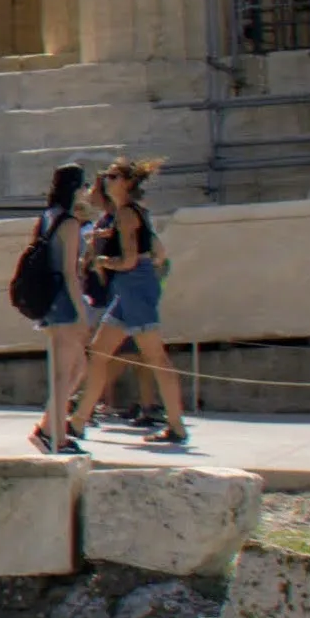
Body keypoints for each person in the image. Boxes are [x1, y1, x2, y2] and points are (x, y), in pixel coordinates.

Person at [74, 157, 189, 450]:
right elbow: (158, 252)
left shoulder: (126, 214)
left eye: (113, 176)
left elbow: (127, 261)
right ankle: (78, 421)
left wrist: (101, 260)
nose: (107, 181)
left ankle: (176, 426)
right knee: (100, 353)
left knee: (156, 359)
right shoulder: (130, 213)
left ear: (127, 182)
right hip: (129, 291)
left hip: (133, 288)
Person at [27, 164, 92, 455]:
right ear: (76, 188)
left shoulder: (46, 217)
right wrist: (82, 314)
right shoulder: (69, 223)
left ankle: (49, 428)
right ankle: (54, 436)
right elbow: (70, 273)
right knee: (67, 373)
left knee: (76, 369)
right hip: (64, 303)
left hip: (48, 300)